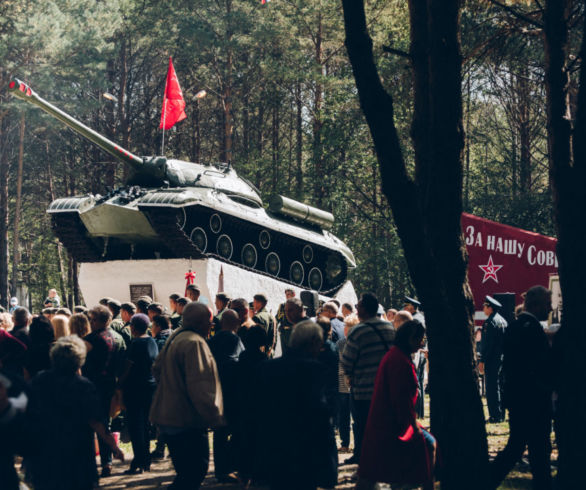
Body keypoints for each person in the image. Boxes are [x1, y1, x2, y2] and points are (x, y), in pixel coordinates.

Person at [27, 336, 124, 490]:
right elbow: (97, 422)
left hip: (46, 453)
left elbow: (27, 416)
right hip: (78, 454)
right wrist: (114, 447)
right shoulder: (83, 386)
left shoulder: (39, 382)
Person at [150, 302, 224, 490]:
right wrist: (215, 418)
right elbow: (200, 387)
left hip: (169, 417)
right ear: (200, 322)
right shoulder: (195, 343)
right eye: (209, 322)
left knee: (186, 473)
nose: (211, 326)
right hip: (186, 420)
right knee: (195, 471)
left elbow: (157, 369)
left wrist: (171, 388)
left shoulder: (176, 337)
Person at [255, 320, 337, 490]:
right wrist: (329, 469)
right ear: (314, 343)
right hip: (305, 454)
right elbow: (321, 418)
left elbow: (255, 414)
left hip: (273, 451)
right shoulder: (315, 371)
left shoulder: (266, 368)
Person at [357, 320, 435, 490]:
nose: (420, 343)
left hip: (391, 422)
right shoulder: (400, 361)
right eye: (418, 339)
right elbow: (401, 400)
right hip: (396, 425)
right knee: (427, 448)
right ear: (409, 339)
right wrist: (413, 427)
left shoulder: (396, 356)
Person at [489, 286, 554, 490]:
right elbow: (538, 365)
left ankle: (487, 480)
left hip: (519, 398)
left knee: (519, 447)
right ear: (537, 305)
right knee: (536, 449)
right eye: (547, 304)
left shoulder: (516, 326)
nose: (550, 308)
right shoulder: (531, 329)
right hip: (532, 400)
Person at [340, 292, 395, 465]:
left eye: (358, 306)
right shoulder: (389, 328)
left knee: (361, 425)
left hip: (363, 389)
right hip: (386, 388)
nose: (356, 309)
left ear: (363, 309)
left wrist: (349, 375)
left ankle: (362, 457)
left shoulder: (358, 331)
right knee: (383, 425)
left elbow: (347, 362)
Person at [82, 305, 126, 477]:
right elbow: (123, 363)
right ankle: (106, 461)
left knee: (92, 423)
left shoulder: (91, 340)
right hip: (111, 385)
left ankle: (98, 461)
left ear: (100, 320)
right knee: (104, 422)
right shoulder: (119, 338)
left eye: (93, 319)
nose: (91, 322)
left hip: (92, 386)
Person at [119, 314, 158, 474]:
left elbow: (128, 367)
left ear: (134, 327)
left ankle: (138, 460)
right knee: (146, 424)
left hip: (134, 388)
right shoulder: (151, 341)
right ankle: (146, 460)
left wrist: (119, 382)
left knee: (136, 426)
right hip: (150, 387)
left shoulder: (135, 343)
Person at [208, 309, 244, 483]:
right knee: (235, 429)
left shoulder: (212, 341)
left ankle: (221, 469)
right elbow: (240, 362)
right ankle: (231, 465)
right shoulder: (236, 339)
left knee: (219, 432)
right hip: (234, 391)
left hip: (216, 391)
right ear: (235, 323)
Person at [234, 325, 268, 485]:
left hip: (244, 403)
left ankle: (244, 471)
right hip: (259, 404)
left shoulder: (243, 357)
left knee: (245, 438)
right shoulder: (263, 359)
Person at [479, 295, 508, 423]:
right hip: (502, 358)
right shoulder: (503, 321)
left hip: (492, 359)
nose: (483, 308)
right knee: (500, 386)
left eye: (485, 306)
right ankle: (501, 414)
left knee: (492, 388)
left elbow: (488, 344)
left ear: (490, 308)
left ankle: (494, 415)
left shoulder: (489, 322)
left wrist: (482, 360)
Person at [337, 313, 360, 453]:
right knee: (343, 416)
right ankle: (344, 443)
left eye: (347, 326)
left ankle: (359, 445)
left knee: (357, 417)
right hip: (343, 384)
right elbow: (339, 365)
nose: (345, 328)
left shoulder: (358, 343)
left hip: (356, 385)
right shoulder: (340, 343)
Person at [276, 289, 295, 354]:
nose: (287, 296)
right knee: (284, 353)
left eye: (288, 294)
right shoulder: (282, 306)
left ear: (293, 295)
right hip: (283, 332)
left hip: (293, 333)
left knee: (292, 353)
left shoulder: (297, 306)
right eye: (286, 295)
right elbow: (277, 319)